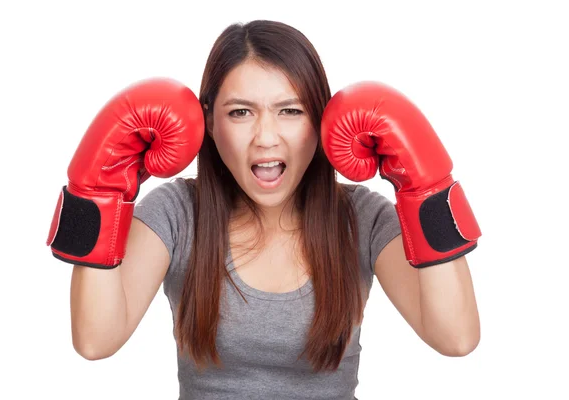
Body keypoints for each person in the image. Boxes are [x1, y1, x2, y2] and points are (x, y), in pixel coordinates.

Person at [47, 19, 482, 400]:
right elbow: (95, 340)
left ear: (324, 122)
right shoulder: (178, 213)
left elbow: (456, 338)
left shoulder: (361, 219)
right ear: (209, 125)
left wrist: (427, 188)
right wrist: (97, 192)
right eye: (241, 112)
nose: (266, 137)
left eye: (290, 110)